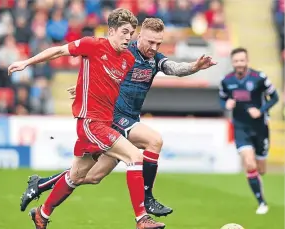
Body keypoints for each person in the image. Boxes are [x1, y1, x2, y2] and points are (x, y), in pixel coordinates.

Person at [19, 18, 217, 217]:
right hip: (115, 117)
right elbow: (101, 71)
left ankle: (41, 184)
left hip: (130, 119)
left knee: (91, 176)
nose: (154, 47)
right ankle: (147, 200)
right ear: (139, 36)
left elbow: (173, 68)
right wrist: (82, 88)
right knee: (154, 140)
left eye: (158, 43)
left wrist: (194, 67)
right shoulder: (124, 52)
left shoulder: (155, 59)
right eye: (150, 42)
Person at [8, 8, 166, 229]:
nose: (128, 37)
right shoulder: (93, 45)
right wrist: (27, 62)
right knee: (135, 157)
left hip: (105, 124)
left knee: (77, 177)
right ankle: (141, 217)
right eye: (124, 32)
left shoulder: (128, 59)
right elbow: (59, 51)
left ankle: (42, 213)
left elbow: (113, 86)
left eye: (131, 33)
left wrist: (83, 84)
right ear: (111, 30)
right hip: (91, 123)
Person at [219, 47, 279, 215]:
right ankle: (262, 202)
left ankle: (256, 179)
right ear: (232, 62)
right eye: (236, 61)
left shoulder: (259, 78)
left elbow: (274, 97)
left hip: (260, 127)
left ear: (247, 61)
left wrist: (261, 110)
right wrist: (226, 104)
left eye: (242, 60)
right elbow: (222, 98)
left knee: (261, 169)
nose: (239, 64)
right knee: (249, 163)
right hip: (240, 127)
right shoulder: (226, 80)